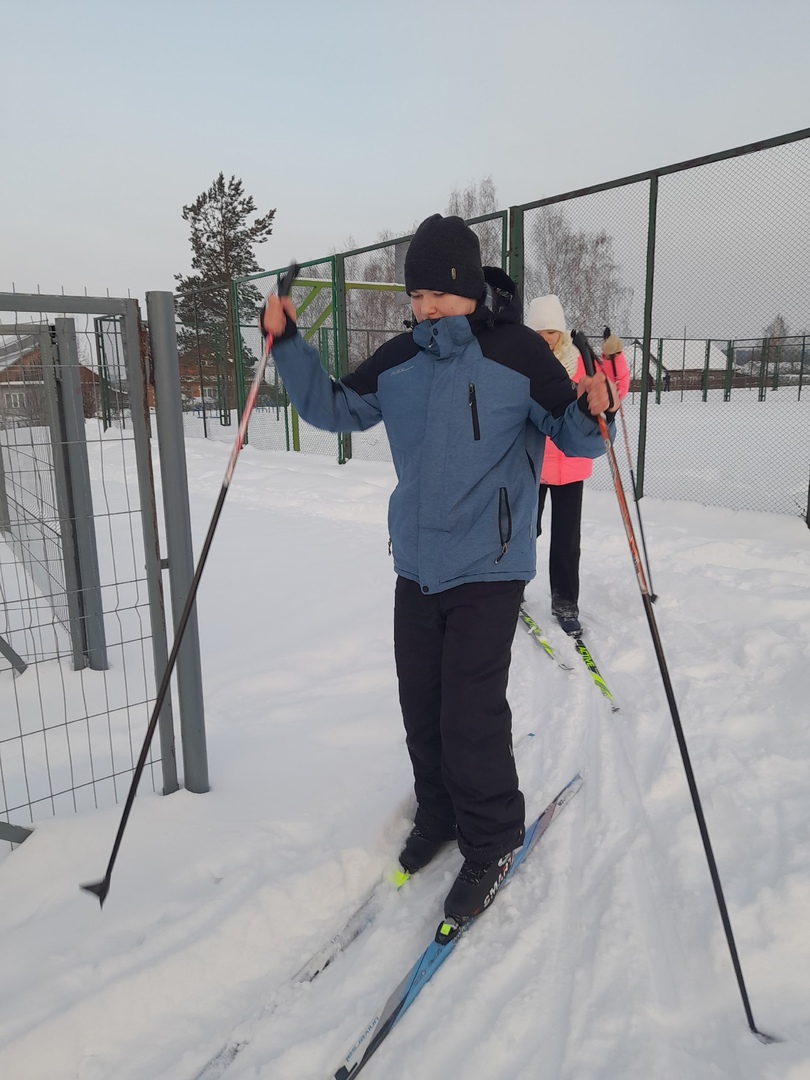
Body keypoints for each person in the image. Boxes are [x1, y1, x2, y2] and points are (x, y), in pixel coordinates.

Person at [261, 215, 616, 926]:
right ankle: (442, 814)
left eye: (434, 295)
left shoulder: (516, 352)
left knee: (469, 716)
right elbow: (333, 407)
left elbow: (574, 435)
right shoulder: (400, 360)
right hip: (418, 566)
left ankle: (492, 838)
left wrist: (595, 402)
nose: (422, 308)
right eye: (415, 294)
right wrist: (288, 345)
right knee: (421, 706)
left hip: (489, 566)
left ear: (467, 289)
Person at [525, 297, 628, 636]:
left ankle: (565, 602)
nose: (545, 339)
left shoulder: (580, 363)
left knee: (567, 539)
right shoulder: (524, 362)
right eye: (538, 333)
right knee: (525, 532)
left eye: (551, 332)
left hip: (571, 466)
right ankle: (510, 591)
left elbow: (613, 391)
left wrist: (615, 358)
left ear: (561, 332)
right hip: (533, 464)